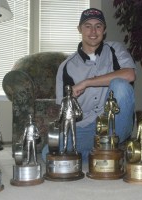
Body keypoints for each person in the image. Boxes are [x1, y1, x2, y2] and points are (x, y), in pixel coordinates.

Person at [42, 8, 136, 162]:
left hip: (115, 124)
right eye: (87, 26)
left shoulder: (115, 49)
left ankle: (105, 149)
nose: (93, 31)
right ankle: (103, 154)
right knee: (49, 152)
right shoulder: (66, 67)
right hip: (85, 129)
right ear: (79, 29)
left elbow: (130, 75)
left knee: (121, 85)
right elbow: (64, 110)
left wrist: (87, 83)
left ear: (104, 30)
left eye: (98, 26)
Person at [57, 85, 83, 154]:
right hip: (65, 119)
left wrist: (77, 114)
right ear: (65, 91)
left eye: (69, 90)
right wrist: (59, 119)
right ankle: (64, 148)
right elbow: (61, 111)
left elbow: (79, 109)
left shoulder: (73, 99)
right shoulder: (63, 100)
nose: (68, 91)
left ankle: (74, 148)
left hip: (72, 118)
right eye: (67, 90)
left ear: (71, 91)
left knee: (73, 133)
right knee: (65, 134)